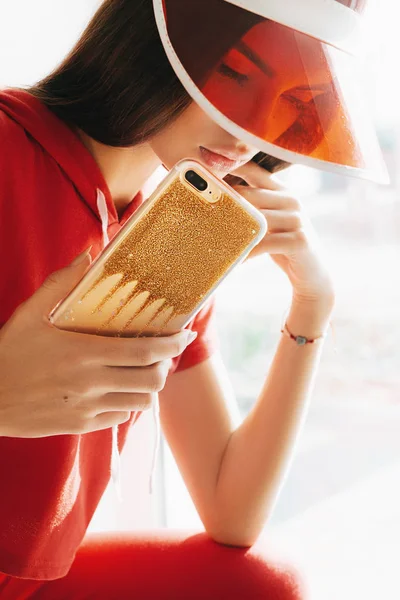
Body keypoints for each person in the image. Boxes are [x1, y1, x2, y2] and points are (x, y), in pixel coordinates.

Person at [0, 0, 387, 598]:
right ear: (149, 40)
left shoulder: (176, 233)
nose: (251, 128)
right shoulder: (7, 150)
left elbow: (231, 512)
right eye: (235, 73)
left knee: (266, 582)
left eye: (293, 102)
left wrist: (312, 306)